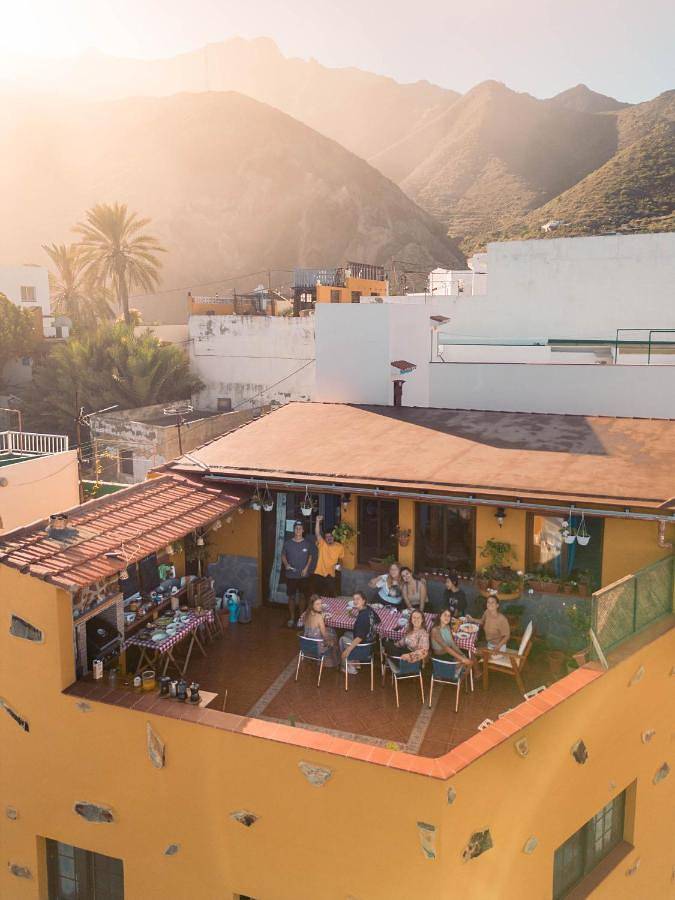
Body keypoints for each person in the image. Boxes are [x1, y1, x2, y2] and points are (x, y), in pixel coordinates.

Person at [281, 521, 317, 628]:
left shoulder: (307, 543)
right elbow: (283, 555)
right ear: (294, 530)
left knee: (302, 597)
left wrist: (306, 568)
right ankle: (292, 618)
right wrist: (286, 564)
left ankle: (301, 618)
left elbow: (310, 556)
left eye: (300, 528)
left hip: (303, 576)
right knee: (291, 597)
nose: (298, 530)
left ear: (303, 530)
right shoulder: (288, 543)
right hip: (291, 576)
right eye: (296, 528)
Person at [339, 591, 380, 675]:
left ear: (364, 600)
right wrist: (356, 617)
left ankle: (349, 667)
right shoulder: (368, 608)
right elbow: (377, 620)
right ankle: (355, 662)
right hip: (371, 641)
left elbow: (359, 638)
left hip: (363, 648)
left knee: (342, 639)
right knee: (346, 633)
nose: (355, 601)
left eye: (358, 599)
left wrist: (347, 650)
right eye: (354, 599)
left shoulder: (362, 617)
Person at [303, 594, 339, 668]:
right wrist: (331, 641)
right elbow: (324, 636)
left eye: (321, 603)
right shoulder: (319, 617)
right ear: (312, 605)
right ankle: (336, 663)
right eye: (317, 604)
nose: (320, 606)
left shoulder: (306, 614)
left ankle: (318, 660)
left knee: (330, 632)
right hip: (317, 647)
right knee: (334, 637)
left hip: (306, 646)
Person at [312, 515, 344, 598]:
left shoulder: (339, 546)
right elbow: (317, 534)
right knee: (318, 598)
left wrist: (340, 565)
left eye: (331, 536)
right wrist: (317, 521)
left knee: (331, 597)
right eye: (327, 537)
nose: (329, 538)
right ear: (325, 538)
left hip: (331, 575)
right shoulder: (322, 544)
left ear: (334, 537)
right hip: (319, 574)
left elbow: (340, 559)